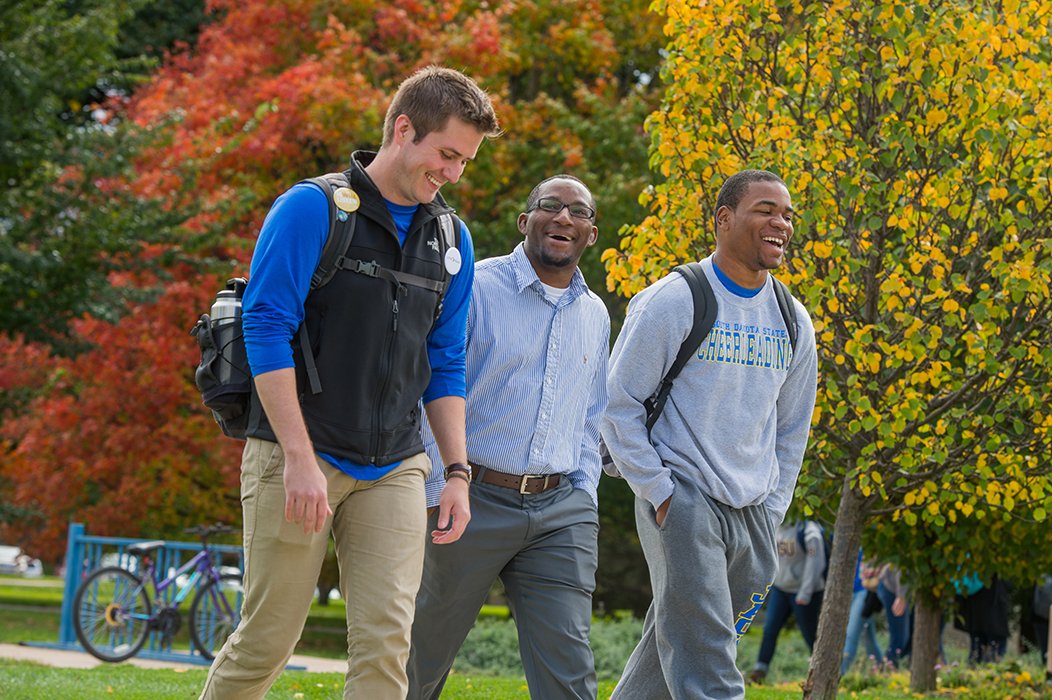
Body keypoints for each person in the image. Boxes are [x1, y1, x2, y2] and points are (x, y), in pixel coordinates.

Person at [199, 66, 500, 700]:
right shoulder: (312, 208)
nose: (453, 174)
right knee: (267, 640)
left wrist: (456, 472)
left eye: (464, 162)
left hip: (394, 463)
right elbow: (266, 326)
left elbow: (445, 360)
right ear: (403, 128)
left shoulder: (452, 239)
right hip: (296, 454)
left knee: (388, 646)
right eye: (446, 154)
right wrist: (299, 460)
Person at [601, 169, 818, 698]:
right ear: (723, 219)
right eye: (766, 209)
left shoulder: (793, 319)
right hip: (683, 497)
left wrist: (773, 509)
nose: (781, 223)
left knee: (678, 643)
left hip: (753, 509)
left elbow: (791, 429)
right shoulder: (675, 300)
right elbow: (617, 405)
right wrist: (660, 491)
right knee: (708, 662)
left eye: (787, 214)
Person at [406, 175, 610, 700]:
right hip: (469, 497)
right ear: (525, 222)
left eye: (578, 212)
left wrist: (584, 494)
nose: (564, 217)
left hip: (560, 510)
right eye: (550, 206)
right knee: (421, 654)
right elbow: (436, 385)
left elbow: (591, 417)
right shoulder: (476, 285)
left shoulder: (595, 314)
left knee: (569, 668)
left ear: (591, 233)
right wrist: (438, 491)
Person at [749, 519, 827, 683]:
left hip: (804, 592)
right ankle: (759, 671)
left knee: (810, 634)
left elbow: (816, 563)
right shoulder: (778, 524)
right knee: (770, 629)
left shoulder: (809, 530)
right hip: (781, 588)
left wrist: (805, 593)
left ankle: (823, 672)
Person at [840, 550, 883, 675]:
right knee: (868, 638)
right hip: (845, 592)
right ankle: (884, 669)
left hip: (864, 591)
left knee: (850, 635)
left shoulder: (872, 535)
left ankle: (840, 675)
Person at [876, 563, 911, 668]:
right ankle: (886, 671)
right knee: (899, 639)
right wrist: (901, 596)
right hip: (893, 588)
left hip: (904, 591)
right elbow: (903, 565)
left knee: (908, 639)